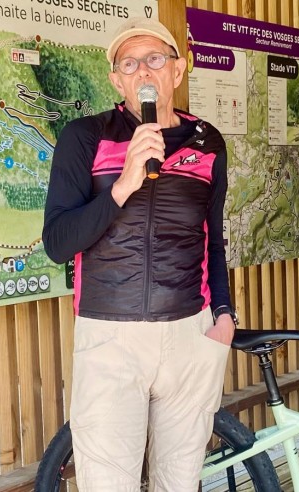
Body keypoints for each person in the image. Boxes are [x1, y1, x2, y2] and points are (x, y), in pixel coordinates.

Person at [41, 17, 237, 491]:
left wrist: (224, 316)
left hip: (191, 332)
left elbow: (212, 238)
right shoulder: (85, 136)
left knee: (180, 481)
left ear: (178, 69)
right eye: (129, 64)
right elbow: (58, 242)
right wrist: (123, 184)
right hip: (111, 337)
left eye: (154, 59)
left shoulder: (208, 142)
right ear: (117, 80)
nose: (143, 71)